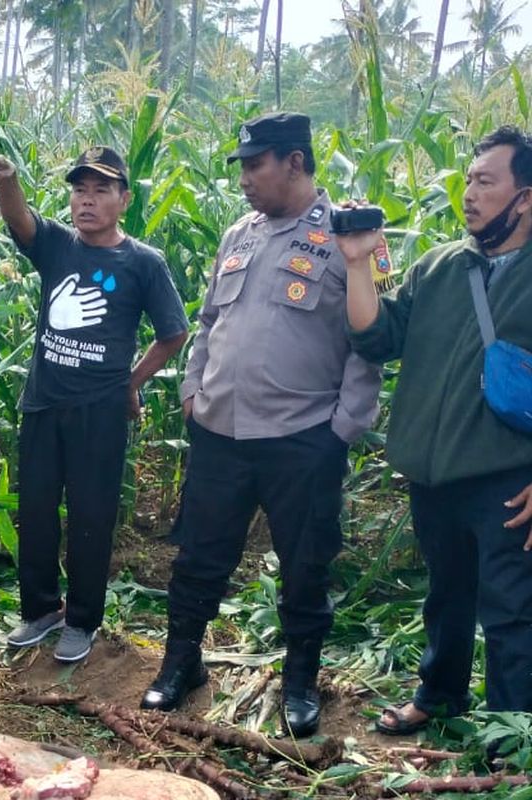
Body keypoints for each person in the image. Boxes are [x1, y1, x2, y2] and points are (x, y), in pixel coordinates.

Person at [140, 112, 382, 738]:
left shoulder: (351, 239)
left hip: (303, 438)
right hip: (220, 432)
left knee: (305, 565)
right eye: (242, 167)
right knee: (199, 557)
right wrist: (192, 390)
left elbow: (369, 342)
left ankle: (300, 680)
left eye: (255, 165)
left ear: (295, 162)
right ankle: (181, 663)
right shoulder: (238, 234)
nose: (244, 179)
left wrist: (342, 430)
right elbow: (209, 321)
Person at [338, 125, 532, 733]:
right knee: (446, 594)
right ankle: (440, 695)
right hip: (432, 471)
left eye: (485, 182)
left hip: (506, 476)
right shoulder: (441, 265)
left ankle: (511, 734)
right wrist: (357, 262)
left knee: (511, 610)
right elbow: (378, 336)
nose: (468, 193)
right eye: (468, 180)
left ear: (525, 197)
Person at [0, 147, 189, 663]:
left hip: (99, 413)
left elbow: (173, 332)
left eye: (100, 190)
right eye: (79, 190)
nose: (87, 201)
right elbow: (19, 217)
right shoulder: (57, 245)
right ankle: (41, 610)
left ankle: (82, 619)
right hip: (43, 404)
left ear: (124, 199)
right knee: (35, 513)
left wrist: (130, 383)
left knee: (91, 518)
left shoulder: (142, 263)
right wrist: (8, 179)